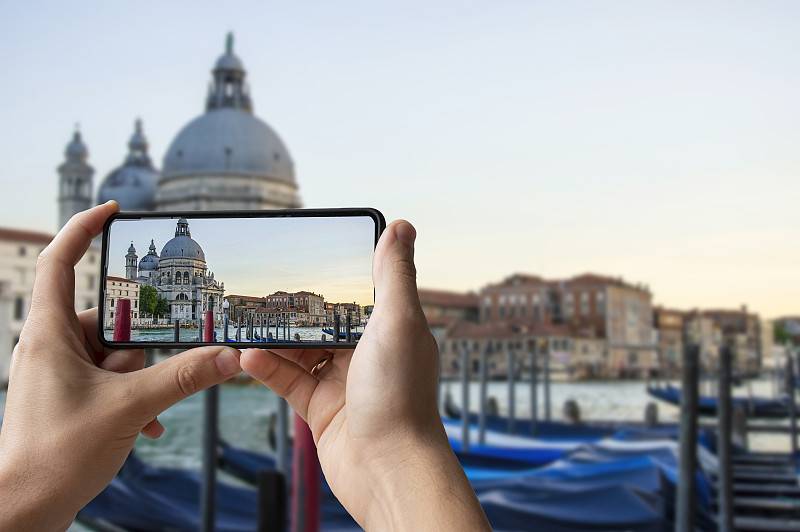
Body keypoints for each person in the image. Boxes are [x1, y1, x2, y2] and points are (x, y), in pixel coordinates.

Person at [0, 201, 491, 531]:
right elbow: (174, 286)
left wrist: (27, 490)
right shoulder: (173, 267)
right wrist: (400, 450)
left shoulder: (180, 262)